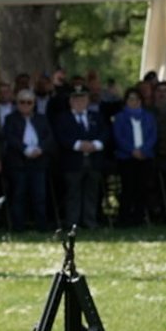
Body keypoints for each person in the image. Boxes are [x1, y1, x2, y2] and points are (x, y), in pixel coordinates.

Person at [1, 90, 54, 232]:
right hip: (18, 163)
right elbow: (10, 137)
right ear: (17, 103)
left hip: (39, 161)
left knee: (40, 196)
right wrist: (25, 149)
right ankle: (18, 227)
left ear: (34, 104)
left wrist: (40, 149)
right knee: (19, 195)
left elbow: (49, 137)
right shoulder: (10, 119)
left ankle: (41, 227)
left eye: (29, 102)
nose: (25, 105)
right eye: (22, 102)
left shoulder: (42, 118)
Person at [58, 85, 107, 231]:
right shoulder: (63, 117)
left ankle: (90, 222)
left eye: (83, 99)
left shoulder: (96, 116)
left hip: (93, 159)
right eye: (76, 99)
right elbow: (60, 136)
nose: (79, 102)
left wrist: (96, 144)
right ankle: (73, 223)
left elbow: (105, 132)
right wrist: (78, 144)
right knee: (73, 193)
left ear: (87, 101)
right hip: (73, 160)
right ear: (71, 101)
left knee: (92, 192)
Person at [111, 87, 159, 227]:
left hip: (145, 157)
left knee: (143, 188)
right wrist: (132, 150)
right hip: (126, 158)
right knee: (128, 188)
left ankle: (139, 217)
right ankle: (124, 218)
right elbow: (118, 137)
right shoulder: (120, 117)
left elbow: (152, 135)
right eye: (131, 99)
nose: (134, 102)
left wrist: (144, 150)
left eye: (137, 99)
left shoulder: (148, 116)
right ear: (126, 101)